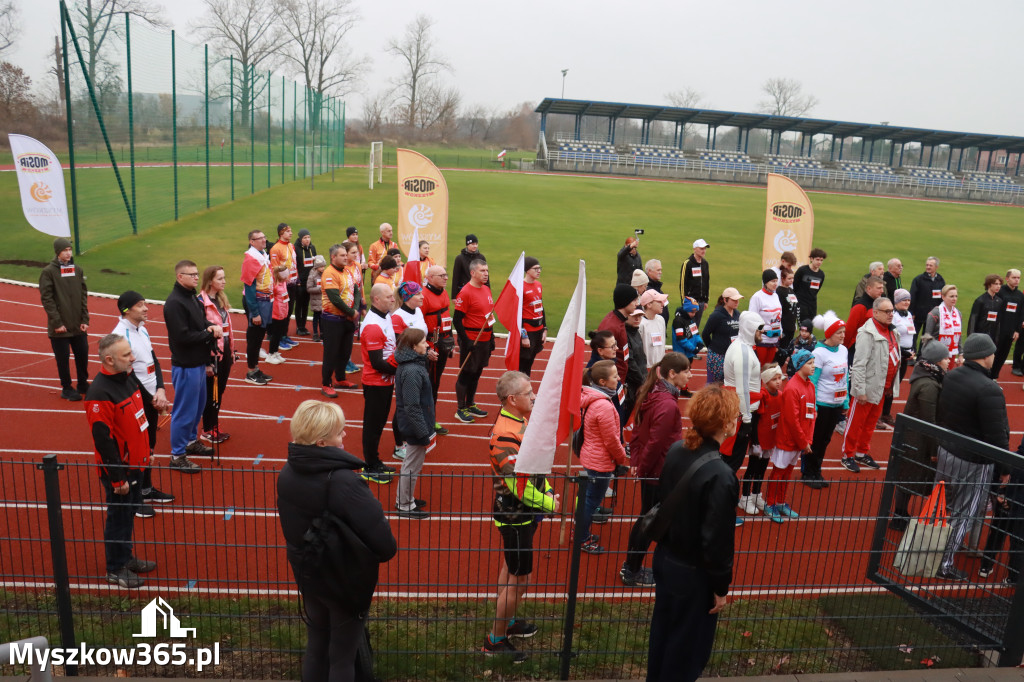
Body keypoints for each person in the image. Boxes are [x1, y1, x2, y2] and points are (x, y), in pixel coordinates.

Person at [276, 400, 397, 682]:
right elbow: (386, 545)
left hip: (308, 573)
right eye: (339, 432)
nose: (345, 437)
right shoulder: (343, 482)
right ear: (321, 442)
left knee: (316, 646)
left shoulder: (287, 472)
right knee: (342, 657)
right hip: (343, 579)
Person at [646, 384, 739, 682]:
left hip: (665, 559)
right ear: (725, 424)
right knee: (686, 654)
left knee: (662, 637)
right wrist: (721, 588)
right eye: (734, 415)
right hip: (693, 574)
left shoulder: (677, 449)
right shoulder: (722, 475)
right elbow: (716, 541)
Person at [483, 371, 559, 661]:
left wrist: (548, 493)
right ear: (512, 399)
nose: (534, 396)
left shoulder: (519, 421)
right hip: (515, 517)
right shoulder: (504, 433)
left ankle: (508, 621)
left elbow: (534, 467)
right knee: (520, 579)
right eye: (529, 393)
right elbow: (518, 485)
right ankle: (495, 640)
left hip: (524, 512)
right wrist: (549, 504)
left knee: (511, 568)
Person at [934, 334, 1010, 581]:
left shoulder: (953, 375)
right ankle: (943, 564)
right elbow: (997, 436)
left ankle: (929, 550)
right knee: (964, 513)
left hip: (947, 451)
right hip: (974, 462)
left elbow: (942, 412)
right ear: (985, 355)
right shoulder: (989, 389)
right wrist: (1005, 468)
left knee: (942, 506)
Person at [86, 333, 157, 588]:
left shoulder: (127, 378)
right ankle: (115, 568)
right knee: (119, 516)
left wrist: (146, 450)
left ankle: (125, 557)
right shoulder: (99, 393)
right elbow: (103, 441)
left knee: (127, 514)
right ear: (109, 359)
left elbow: (137, 419)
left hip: (136, 463)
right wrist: (117, 477)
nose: (133, 358)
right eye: (126, 355)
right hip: (120, 471)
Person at [110, 292, 175, 518]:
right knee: (135, 448)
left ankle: (146, 489)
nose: (146, 308)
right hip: (135, 401)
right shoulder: (119, 336)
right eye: (140, 305)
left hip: (151, 398)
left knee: (150, 445)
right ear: (126, 310)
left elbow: (154, 361)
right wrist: (151, 399)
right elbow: (127, 374)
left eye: (146, 303)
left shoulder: (143, 330)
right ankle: (133, 498)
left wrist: (160, 389)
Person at [165, 260, 222, 473]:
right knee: (184, 411)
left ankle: (190, 442)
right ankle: (177, 455)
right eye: (192, 274)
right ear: (180, 276)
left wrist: (211, 327)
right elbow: (182, 336)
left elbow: (200, 323)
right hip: (186, 365)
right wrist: (208, 333)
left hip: (198, 363)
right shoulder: (174, 303)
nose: (197, 277)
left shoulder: (191, 297)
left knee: (198, 407)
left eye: (197, 274)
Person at [888, 341, 950, 530]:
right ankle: (899, 516)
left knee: (907, 476)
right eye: (946, 358)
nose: (949, 361)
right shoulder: (929, 385)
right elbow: (928, 421)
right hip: (918, 441)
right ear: (937, 361)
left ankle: (900, 514)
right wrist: (934, 449)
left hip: (914, 438)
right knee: (910, 477)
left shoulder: (924, 375)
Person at [576, 360, 629, 555]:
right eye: (614, 376)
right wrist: (621, 457)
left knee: (589, 498)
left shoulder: (592, 397)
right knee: (591, 501)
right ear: (602, 381)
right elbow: (611, 441)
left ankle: (580, 532)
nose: (618, 379)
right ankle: (582, 538)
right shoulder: (603, 406)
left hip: (592, 456)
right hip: (600, 461)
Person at [841, 297, 898, 474]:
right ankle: (847, 455)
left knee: (870, 423)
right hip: (867, 387)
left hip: (882, 387)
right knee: (855, 422)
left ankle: (861, 452)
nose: (890, 315)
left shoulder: (892, 332)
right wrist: (859, 390)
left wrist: (890, 386)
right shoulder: (867, 333)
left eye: (891, 311)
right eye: (886, 311)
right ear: (876, 312)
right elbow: (858, 364)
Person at [763, 350, 816, 523]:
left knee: (787, 473)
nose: (813, 366)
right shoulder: (792, 387)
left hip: (800, 441)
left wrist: (808, 440)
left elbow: (811, 414)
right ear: (800, 365)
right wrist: (803, 442)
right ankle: (770, 504)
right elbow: (792, 420)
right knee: (779, 472)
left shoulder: (810, 385)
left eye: (813, 362)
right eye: (809, 363)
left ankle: (780, 502)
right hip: (788, 439)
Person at [360, 284, 401, 483]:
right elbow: (377, 362)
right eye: (388, 297)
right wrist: (402, 369)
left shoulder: (385, 317)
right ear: (376, 299)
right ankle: (369, 466)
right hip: (376, 383)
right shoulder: (373, 326)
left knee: (379, 424)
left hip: (385, 382)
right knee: (372, 425)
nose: (393, 300)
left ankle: (374, 461)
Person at [39, 237, 90, 401]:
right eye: (65, 250)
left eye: (69, 250)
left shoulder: (77, 269)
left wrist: (85, 319)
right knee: (63, 359)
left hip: (77, 324)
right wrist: (57, 323)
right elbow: (47, 299)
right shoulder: (48, 272)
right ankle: (67, 388)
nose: (68, 253)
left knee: (82, 355)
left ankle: (83, 383)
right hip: (60, 327)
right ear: (57, 252)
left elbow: (83, 295)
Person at [394, 328, 434, 520]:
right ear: (412, 346)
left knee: (412, 464)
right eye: (424, 342)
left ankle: (405, 498)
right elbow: (411, 406)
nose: (427, 345)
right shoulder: (411, 371)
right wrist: (422, 433)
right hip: (415, 426)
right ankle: (404, 504)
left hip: (416, 424)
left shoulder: (413, 364)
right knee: (411, 465)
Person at [804, 312, 848, 488]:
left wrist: (845, 402)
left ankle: (817, 471)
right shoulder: (819, 353)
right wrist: (813, 405)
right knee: (815, 438)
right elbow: (812, 382)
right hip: (822, 404)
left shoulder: (844, 350)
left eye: (844, 332)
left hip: (836, 404)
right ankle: (808, 473)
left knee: (826, 440)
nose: (843, 335)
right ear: (829, 333)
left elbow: (846, 378)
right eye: (839, 332)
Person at [721, 311, 763, 481]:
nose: (762, 333)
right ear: (750, 329)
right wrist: (746, 420)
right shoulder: (743, 352)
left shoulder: (740, 345)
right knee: (732, 460)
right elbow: (742, 389)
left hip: (737, 408)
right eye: (759, 330)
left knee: (729, 458)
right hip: (740, 412)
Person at [453, 259, 495, 423]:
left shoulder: (486, 289)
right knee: (466, 374)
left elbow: (488, 316)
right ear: (472, 273)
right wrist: (466, 341)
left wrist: (491, 336)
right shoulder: (465, 292)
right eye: (482, 271)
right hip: (472, 339)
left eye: (487, 270)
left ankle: (470, 403)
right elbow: (457, 320)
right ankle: (460, 408)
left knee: (477, 372)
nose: (486, 274)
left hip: (484, 339)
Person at [739, 364, 783, 515]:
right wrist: (755, 441)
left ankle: (756, 494)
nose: (778, 382)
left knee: (762, 469)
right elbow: (755, 420)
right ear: (765, 380)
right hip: (759, 441)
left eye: (779, 378)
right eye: (774, 379)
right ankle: (744, 498)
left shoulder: (780, 395)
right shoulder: (762, 396)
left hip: (770, 440)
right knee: (752, 469)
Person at [198, 266, 235, 445]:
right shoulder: (200, 303)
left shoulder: (220, 300)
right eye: (220, 278)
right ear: (210, 281)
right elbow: (201, 334)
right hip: (212, 356)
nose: (224, 281)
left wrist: (232, 352)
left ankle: (214, 425)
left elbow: (228, 331)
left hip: (225, 353)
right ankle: (207, 429)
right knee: (211, 393)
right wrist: (206, 362)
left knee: (219, 392)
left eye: (224, 277)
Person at [319, 243, 360, 398]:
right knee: (331, 353)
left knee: (345, 352)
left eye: (345, 255)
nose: (345, 257)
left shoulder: (347, 271)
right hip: (333, 320)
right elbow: (334, 299)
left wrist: (354, 310)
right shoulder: (329, 273)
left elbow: (355, 290)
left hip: (347, 319)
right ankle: (326, 383)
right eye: (342, 255)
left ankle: (341, 378)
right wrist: (351, 312)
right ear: (333, 257)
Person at [422, 265, 454, 434]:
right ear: (430, 277)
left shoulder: (443, 292)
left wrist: (450, 341)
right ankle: (427, 421)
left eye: (446, 274)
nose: (446, 278)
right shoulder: (424, 296)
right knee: (429, 384)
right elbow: (419, 326)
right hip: (430, 346)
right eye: (442, 275)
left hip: (443, 342)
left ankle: (431, 419)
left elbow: (447, 316)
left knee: (436, 382)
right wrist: (427, 347)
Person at [241, 229, 273, 386]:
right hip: (256, 302)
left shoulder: (262, 255)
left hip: (264, 300)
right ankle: (251, 371)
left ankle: (256, 368)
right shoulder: (251, 259)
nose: (263, 240)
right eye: (259, 238)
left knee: (259, 337)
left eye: (264, 237)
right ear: (251, 242)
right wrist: (254, 313)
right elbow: (249, 288)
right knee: (254, 338)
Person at [880, 288, 917, 427]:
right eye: (904, 300)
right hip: (895, 355)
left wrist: (912, 350)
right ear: (897, 302)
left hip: (906, 355)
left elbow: (911, 334)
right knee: (887, 384)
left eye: (908, 300)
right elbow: (890, 338)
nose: (907, 302)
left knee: (894, 386)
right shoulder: (893, 316)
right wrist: (903, 351)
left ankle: (885, 413)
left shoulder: (908, 314)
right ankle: (878, 413)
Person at [599, 283, 640, 390]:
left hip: (619, 380)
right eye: (634, 300)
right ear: (625, 301)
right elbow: (603, 359)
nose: (637, 304)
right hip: (611, 384)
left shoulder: (620, 321)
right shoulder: (611, 326)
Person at [702, 288, 742, 385]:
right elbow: (705, 334)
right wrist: (713, 349)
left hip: (732, 356)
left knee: (729, 385)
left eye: (738, 300)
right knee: (714, 386)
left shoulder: (737, 314)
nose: (737, 302)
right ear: (725, 300)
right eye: (734, 300)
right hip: (718, 357)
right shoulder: (716, 315)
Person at [268, 222, 299, 349]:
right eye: (288, 231)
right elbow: (275, 269)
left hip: (293, 283)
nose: (291, 233)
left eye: (291, 231)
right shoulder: (275, 248)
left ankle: (284, 335)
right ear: (281, 233)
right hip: (282, 286)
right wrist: (282, 282)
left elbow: (294, 264)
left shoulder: (291, 246)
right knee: (281, 312)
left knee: (288, 310)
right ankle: (278, 337)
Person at [519, 257, 547, 376]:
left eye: (539, 268)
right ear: (527, 270)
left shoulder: (539, 285)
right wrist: (523, 335)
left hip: (538, 330)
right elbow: (517, 313)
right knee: (522, 363)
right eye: (535, 268)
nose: (539, 270)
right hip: (527, 331)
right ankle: (517, 390)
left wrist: (545, 328)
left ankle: (525, 389)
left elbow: (541, 307)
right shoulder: (521, 287)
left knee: (530, 362)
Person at [909, 257, 946, 345]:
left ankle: (922, 355)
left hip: (932, 316)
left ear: (936, 267)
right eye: (927, 265)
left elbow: (943, 298)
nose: (928, 267)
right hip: (918, 315)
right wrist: (911, 312)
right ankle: (911, 354)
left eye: (931, 265)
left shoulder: (940, 280)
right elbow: (912, 296)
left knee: (927, 337)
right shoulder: (918, 280)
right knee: (913, 336)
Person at [748, 269, 782, 365]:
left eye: (776, 281)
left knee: (768, 370)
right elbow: (752, 318)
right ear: (765, 282)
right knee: (760, 368)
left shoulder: (776, 296)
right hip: (762, 340)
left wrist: (781, 330)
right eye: (772, 281)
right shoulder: (757, 297)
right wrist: (758, 333)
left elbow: (779, 315)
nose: (775, 284)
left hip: (774, 339)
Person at [923, 284, 964, 362]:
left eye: (956, 296)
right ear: (943, 297)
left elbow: (959, 336)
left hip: (952, 353)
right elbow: (927, 336)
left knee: (949, 374)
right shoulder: (935, 313)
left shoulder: (958, 313)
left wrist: (961, 353)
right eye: (951, 296)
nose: (954, 299)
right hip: (936, 354)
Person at [995, 269, 1024, 380]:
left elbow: (1021, 314)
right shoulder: (1000, 292)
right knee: (994, 354)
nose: (1016, 280)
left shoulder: (1020, 295)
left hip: (1010, 331)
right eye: (1014, 278)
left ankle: (994, 377)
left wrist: (1017, 331)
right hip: (998, 330)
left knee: (1003, 355)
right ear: (1007, 279)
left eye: (1018, 278)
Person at [264, 265, 291, 366]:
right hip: (276, 313)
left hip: (284, 311)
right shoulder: (274, 286)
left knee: (279, 334)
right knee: (275, 335)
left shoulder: (284, 283)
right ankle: (270, 355)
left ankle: (275, 352)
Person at [682, 239, 710, 327]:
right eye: (701, 248)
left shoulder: (705, 264)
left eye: (705, 248)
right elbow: (683, 284)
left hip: (701, 302)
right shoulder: (688, 263)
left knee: (695, 327)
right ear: (695, 249)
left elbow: (707, 282)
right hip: (691, 302)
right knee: (689, 327)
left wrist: (706, 300)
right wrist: (684, 301)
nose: (704, 251)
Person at [793, 247, 827, 321]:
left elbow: (816, 290)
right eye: (817, 259)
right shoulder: (802, 270)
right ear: (811, 259)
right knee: (803, 327)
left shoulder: (821, 274)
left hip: (812, 304)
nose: (819, 262)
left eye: (821, 260)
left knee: (810, 326)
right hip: (801, 303)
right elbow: (794, 285)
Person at [968, 274, 1004, 343]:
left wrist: (997, 337)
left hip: (992, 338)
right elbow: (973, 319)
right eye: (996, 284)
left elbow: (998, 321)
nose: (998, 286)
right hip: (980, 336)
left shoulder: (999, 301)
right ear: (989, 285)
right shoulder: (980, 300)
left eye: (1000, 284)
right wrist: (971, 337)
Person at [671, 297, 705, 367]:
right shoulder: (678, 321)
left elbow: (696, 333)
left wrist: (699, 342)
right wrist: (693, 348)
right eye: (692, 312)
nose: (694, 314)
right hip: (681, 354)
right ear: (686, 310)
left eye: (695, 312)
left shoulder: (690, 319)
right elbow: (681, 339)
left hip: (689, 353)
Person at [638, 289, 669, 368]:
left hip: (660, 366)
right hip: (646, 368)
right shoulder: (641, 324)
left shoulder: (661, 320)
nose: (663, 304)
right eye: (659, 302)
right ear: (649, 305)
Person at [294, 229, 316, 337]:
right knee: (299, 305)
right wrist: (297, 279)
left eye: (308, 237)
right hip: (299, 283)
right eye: (305, 238)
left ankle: (303, 326)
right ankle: (299, 327)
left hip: (309, 282)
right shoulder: (295, 249)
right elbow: (294, 265)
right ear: (300, 239)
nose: (307, 240)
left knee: (306, 305)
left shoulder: (312, 248)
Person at [776, 268, 799, 359]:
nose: (792, 281)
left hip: (791, 326)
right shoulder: (779, 291)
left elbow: (794, 307)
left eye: (792, 278)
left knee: (789, 348)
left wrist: (795, 323)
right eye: (789, 279)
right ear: (783, 278)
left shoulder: (791, 290)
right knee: (782, 350)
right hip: (784, 326)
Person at [306, 254, 326, 343]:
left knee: (322, 318)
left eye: (324, 266)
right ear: (317, 267)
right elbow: (308, 288)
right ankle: (315, 333)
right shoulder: (312, 276)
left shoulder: (324, 274)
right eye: (321, 267)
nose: (323, 268)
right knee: (316, 317)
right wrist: (319, 289)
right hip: (315, 300)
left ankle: (322, 333)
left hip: (323, 300)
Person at [645, 259, 670, 323]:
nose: (660, 272)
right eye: (658, 270)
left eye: (661, 270)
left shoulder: (658, 289)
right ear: (649, 271)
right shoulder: (646, 291)